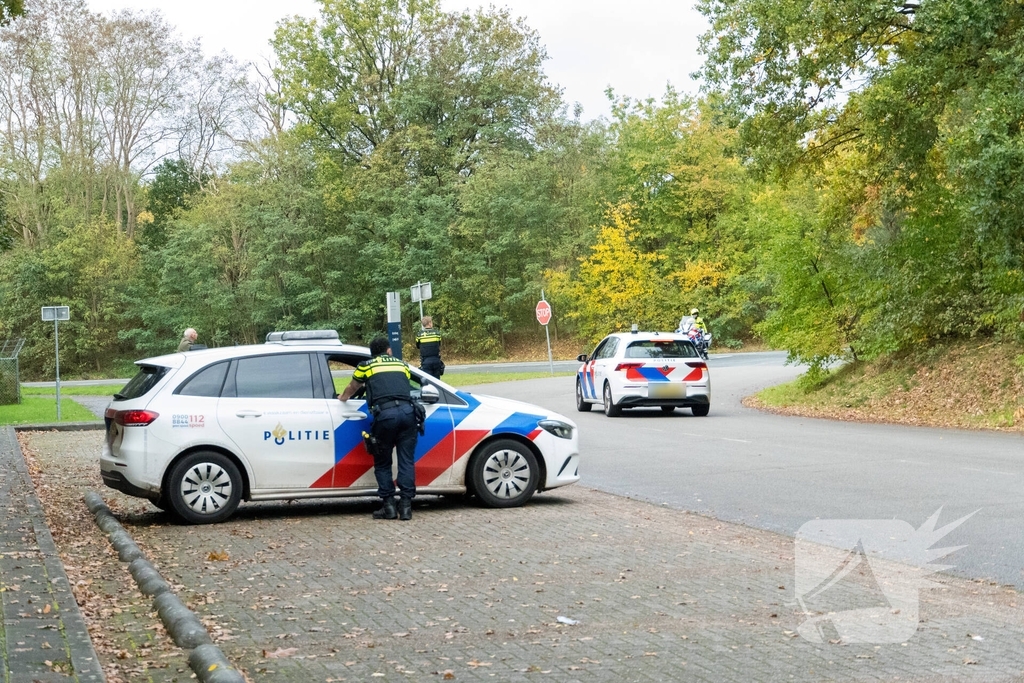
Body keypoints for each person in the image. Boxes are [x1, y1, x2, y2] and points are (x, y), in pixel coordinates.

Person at [338, 337, 419, 521]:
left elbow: (353, 386)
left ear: (372, 353)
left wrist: (342, 398)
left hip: (385, 416)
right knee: (406, 461)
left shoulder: (366, 366)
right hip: (408, 413)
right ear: (388, 350)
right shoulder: (402, 365)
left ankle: (389, 507)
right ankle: (406, 507)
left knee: (382, 462)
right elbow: (400, 384)